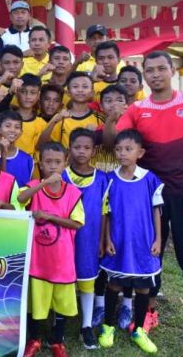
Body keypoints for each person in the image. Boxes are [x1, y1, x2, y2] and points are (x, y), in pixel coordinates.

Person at [104, 51, 183, 355]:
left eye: (161, 68)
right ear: (144, 75)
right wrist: (111, 119)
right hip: (149, 199)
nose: (156, 74)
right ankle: (148, 313)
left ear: (172, 70)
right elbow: (112, 143)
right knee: (151, 256)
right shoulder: (137, 109)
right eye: (150, 70)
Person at [98, 129, 164, 354]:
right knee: (114, 284)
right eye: (118, 149)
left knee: (143, 287)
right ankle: (108, 326)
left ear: (140, 153)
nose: (122, 153)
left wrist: (158, 239)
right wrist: (107, 239)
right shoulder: (110, 179)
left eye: (128, 149)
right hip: (119, 241)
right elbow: (106, 213)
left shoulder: (150, 179)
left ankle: (139, 330)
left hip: (143, 241)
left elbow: (157, 211)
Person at [18, 142, 84, 357]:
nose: (53, 166)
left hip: (62, 260)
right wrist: (43, 183)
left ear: (65, 163)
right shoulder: (33, 187)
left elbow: (77, 223)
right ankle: (34, 339)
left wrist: (49, 217)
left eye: (57, 162)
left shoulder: (72, 192)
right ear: (40, 164)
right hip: (38, 259)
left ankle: (57, 341)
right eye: (48, 162)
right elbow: (20, 199)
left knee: (62, 303)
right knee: (37, 302)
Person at [62, 128, 109, 350]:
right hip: (63, 238)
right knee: (62, 279)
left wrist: (102, 240)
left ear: (94, 151)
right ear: (69, 148)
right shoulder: (61, 175)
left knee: (87, 279)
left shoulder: (102, 178)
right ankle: (59, 324)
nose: (82, 151)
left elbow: (104, 212)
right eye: (77, 147)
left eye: (87, 148)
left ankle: (86, 325)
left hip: (90, 237)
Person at [38, 71, 103, 150]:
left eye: (85, 86)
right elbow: (41, 146)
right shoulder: (59, 118)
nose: (80, 90)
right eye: (75, 86)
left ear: (92, 93)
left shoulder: (100, 118)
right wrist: (53, 122)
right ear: (68, 92)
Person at [0, 73, 47, 157]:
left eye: (33, 93)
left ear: (38, 95)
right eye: (23, 92)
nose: (28, 96)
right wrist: (10, 92)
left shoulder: (42, 124)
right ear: (17, 93)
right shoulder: (6, 117)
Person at [0, 111, 34, 187]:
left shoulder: (27, 159)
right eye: (8, 126)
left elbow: (31, 187)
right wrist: (4, 155)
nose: (12, 130)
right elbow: (1, 184)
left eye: (17, 127)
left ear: (21, 132)